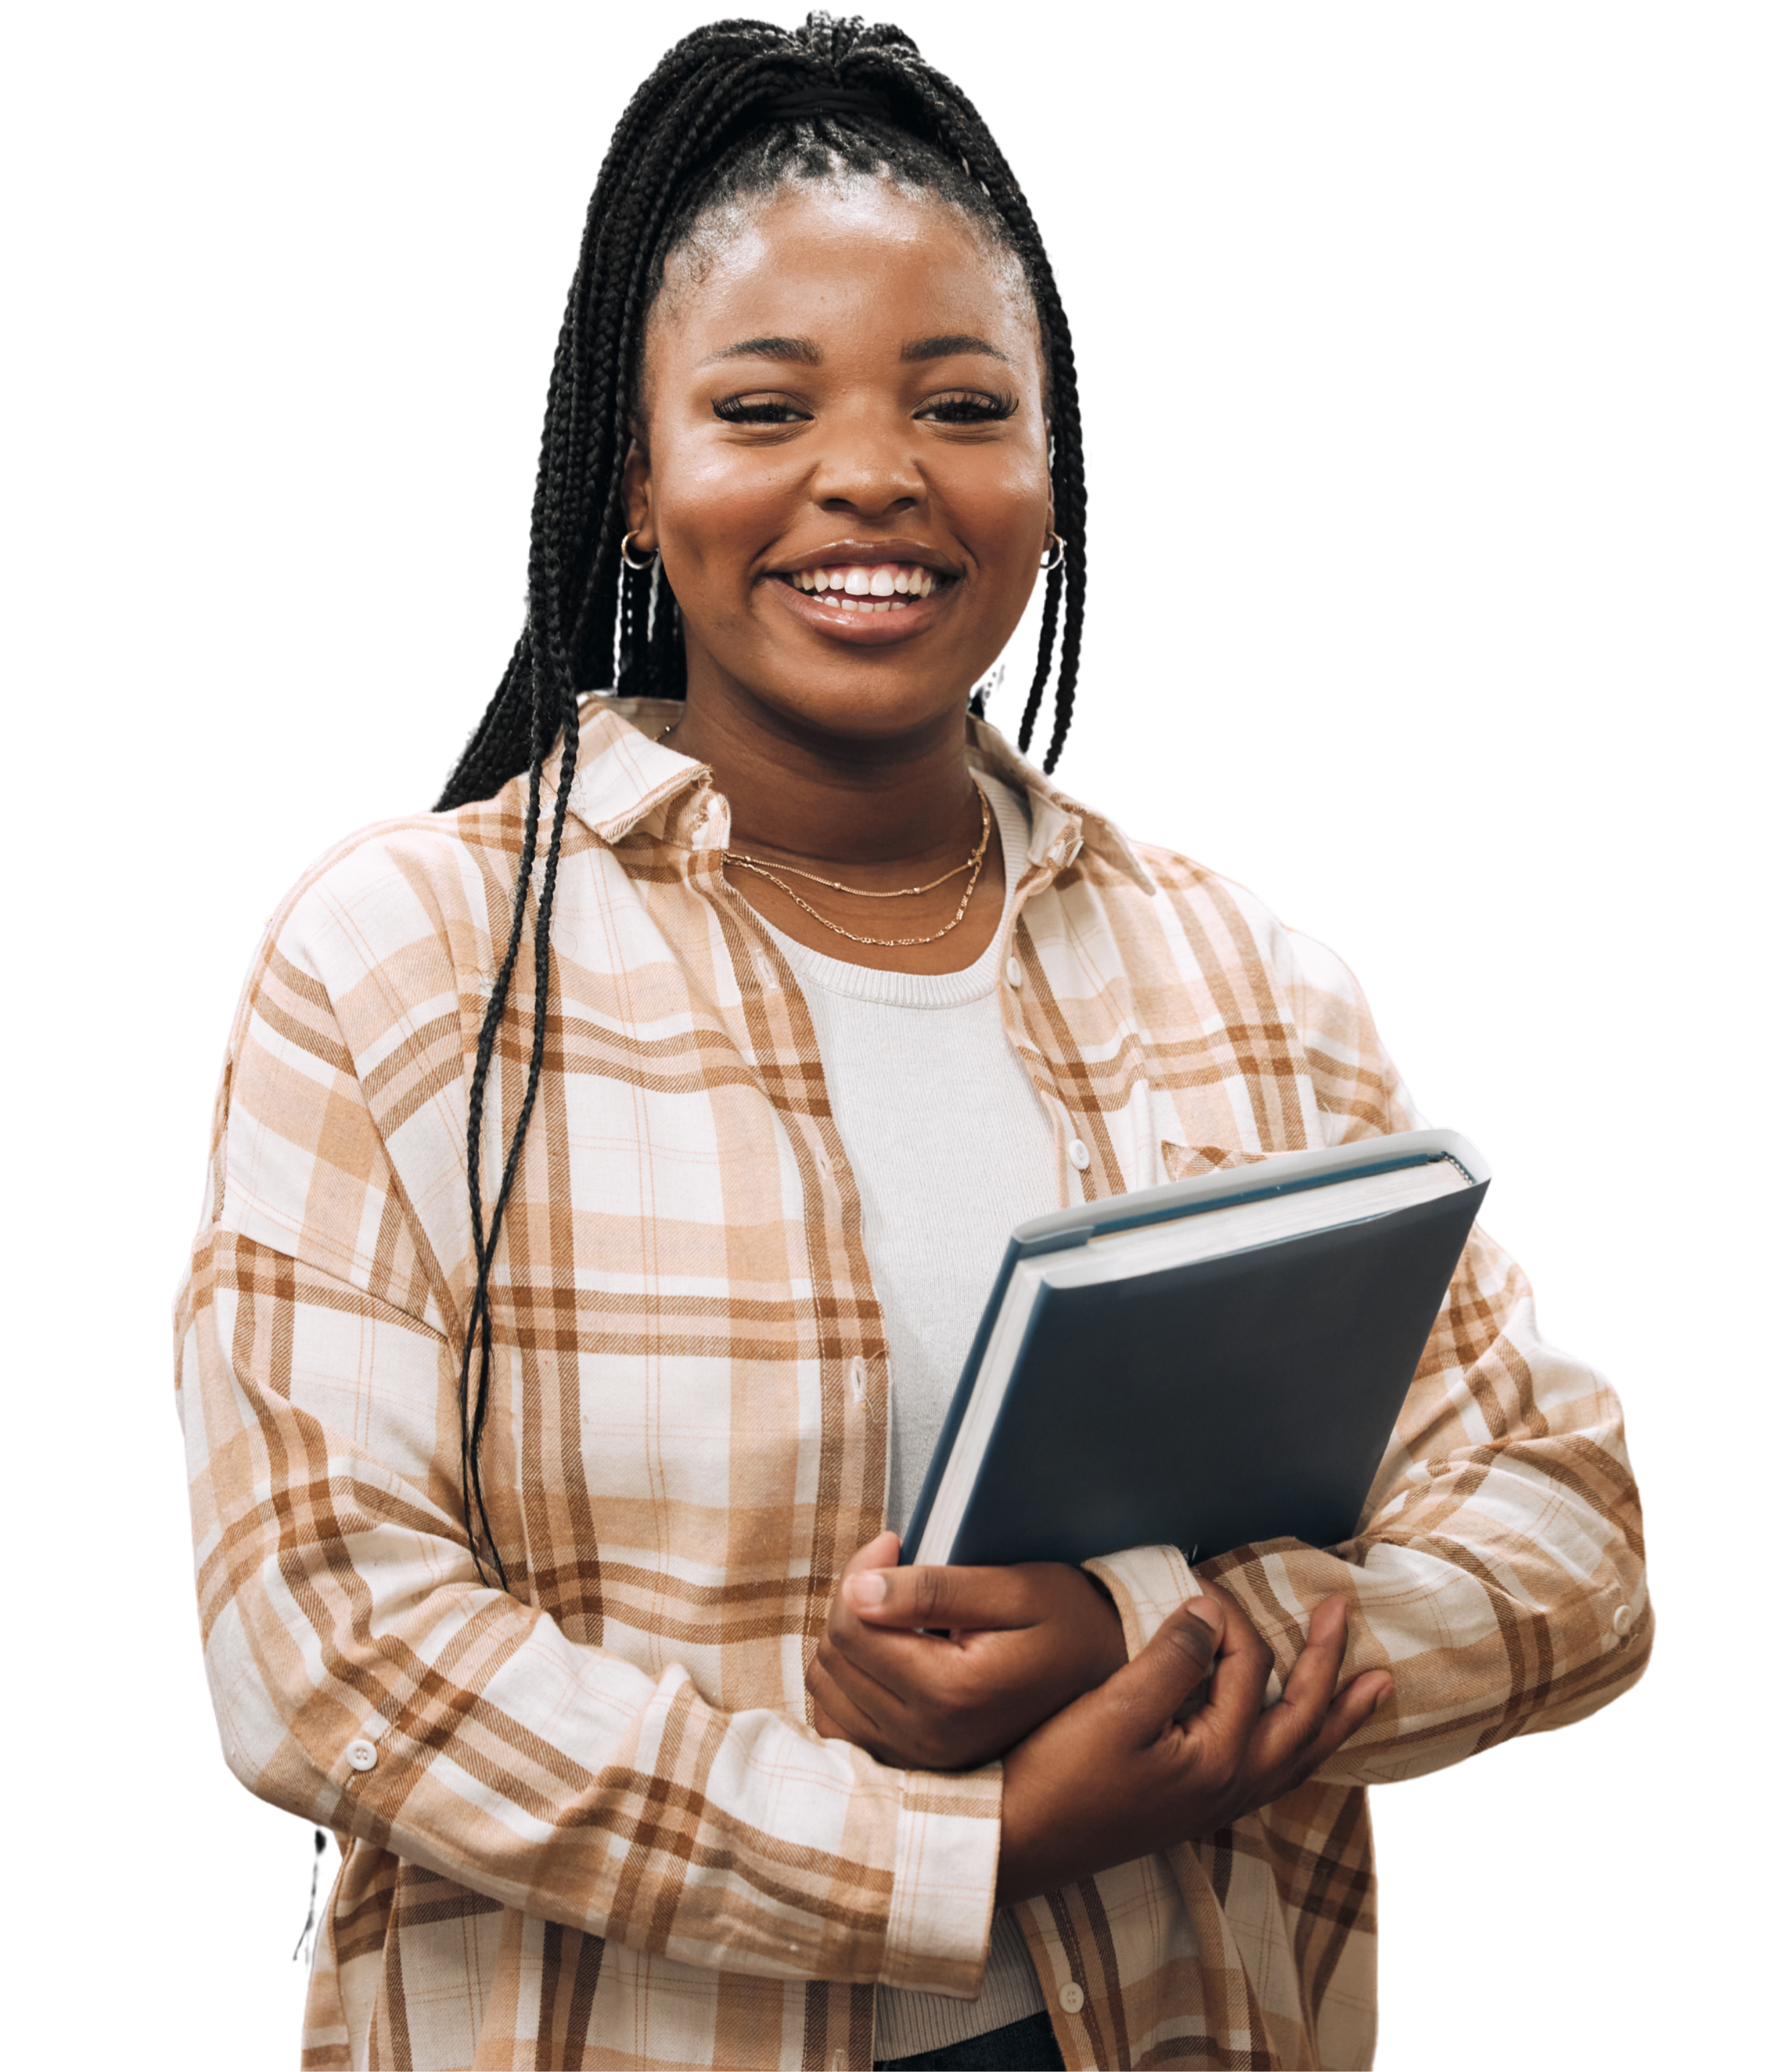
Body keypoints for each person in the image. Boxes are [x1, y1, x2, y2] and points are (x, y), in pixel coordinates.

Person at [172, 15, 1653, 2070]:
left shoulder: (1243, 981)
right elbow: (326, 1648)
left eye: (961, 406)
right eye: (762, 407)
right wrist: (959, 1851)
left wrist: (1144, 1632)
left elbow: (1575, 1540)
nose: (874, 473)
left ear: (1050, 482)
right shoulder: (401, 963)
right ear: (637, 485)